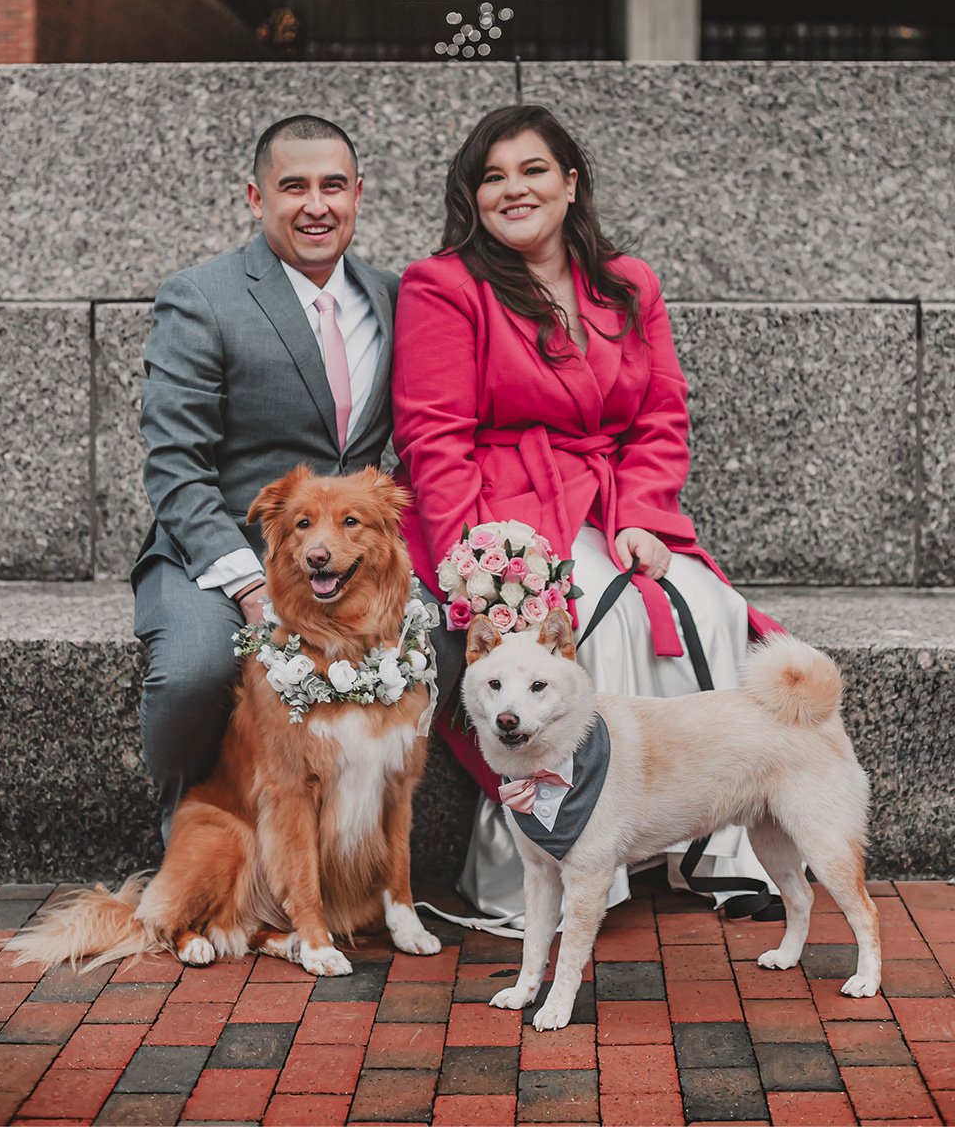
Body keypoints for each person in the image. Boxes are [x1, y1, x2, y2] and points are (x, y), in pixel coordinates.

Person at [393, 103, 784, 921]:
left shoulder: (627, 282)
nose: (513, 189)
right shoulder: (445, 286)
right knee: (585, 624)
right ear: (473, 197)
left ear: (571, 183)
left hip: (612, 499)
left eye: (532, 170)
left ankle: (706, 839)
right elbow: (433, 439)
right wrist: (484, 572)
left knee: (708, 611)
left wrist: (642, 510)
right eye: (492, 177)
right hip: (504, 510)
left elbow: (661, 414)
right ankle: (572, 855)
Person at [134, 115, 399, 837]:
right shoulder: (202, 296)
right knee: (192, 669)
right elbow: (175, 462)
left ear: (358, 195)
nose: (316, 205)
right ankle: (193, 827)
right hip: (221, 551)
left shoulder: (395, 298)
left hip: (351, 556)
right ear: (257, 197)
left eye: (333, 187)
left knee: (446, 644)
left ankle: (386, 852)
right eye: (294, 187)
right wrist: (253, 588)